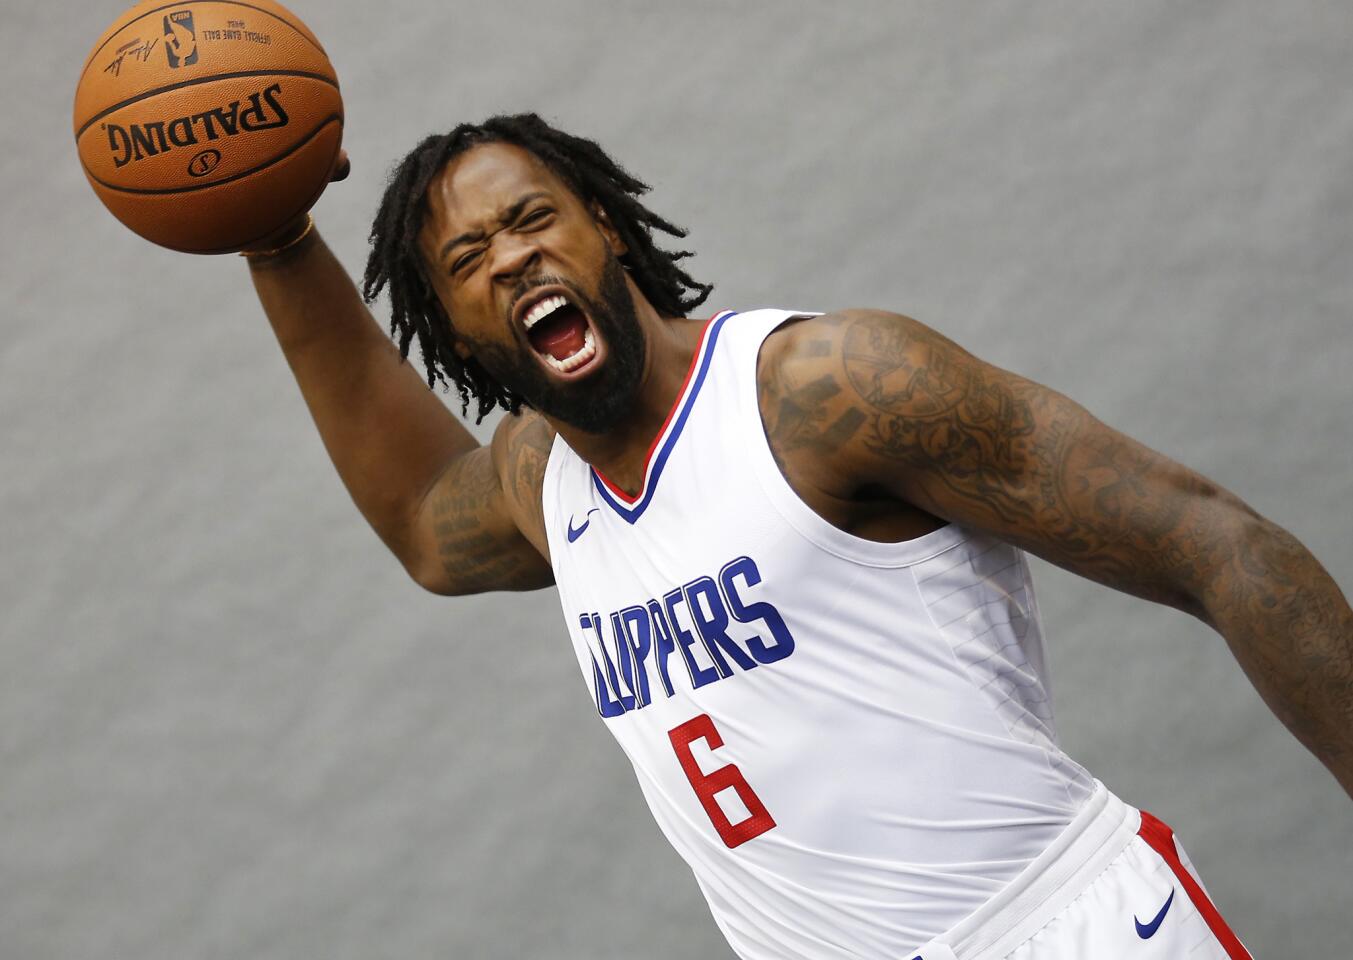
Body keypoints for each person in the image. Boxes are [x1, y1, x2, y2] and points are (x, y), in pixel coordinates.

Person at [244, 113, 1350, 959]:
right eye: (467, 257)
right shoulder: (547, 485)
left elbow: (1217, 543)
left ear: (609, 230)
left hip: (1051, 927)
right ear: (455, 329)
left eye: (534, 218)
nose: (511, 256)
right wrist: (277, 240)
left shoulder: (827, 391)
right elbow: (425, 523)